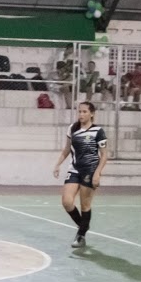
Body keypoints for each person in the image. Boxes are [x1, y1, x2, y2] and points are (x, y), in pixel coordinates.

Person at [53, 102, 107, 248]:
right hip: (75, 169)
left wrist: (97, 174)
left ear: (92, 113)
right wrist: (58, 164)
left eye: (84, 112)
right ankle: (83, 226)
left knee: (85, 204)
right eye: (79, 112)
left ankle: (81, 235)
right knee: (67, 201)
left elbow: (104, 156)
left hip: (90, 170)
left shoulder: (98, 131)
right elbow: (66, 149)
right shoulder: (73, 128)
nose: (81, 114)